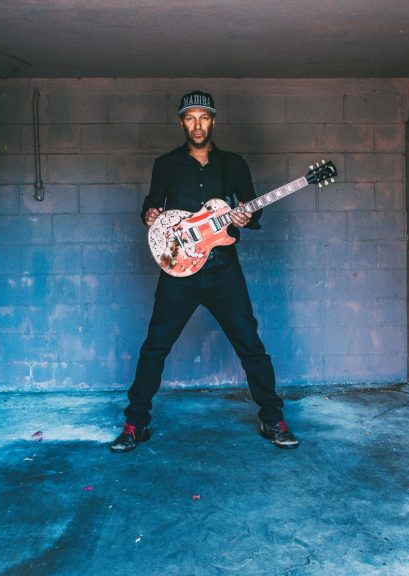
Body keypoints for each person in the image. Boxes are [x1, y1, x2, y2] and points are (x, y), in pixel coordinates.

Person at [110, 90, 299, 452]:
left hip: (223, 270)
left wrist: (247, 215)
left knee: (251, 346)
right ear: (182, 122)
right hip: (178, 271)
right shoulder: (165, 164)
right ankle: (136, 424)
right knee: (155, 347)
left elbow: (252, 209)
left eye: (204, 117)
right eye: (190, 118)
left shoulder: (234, 164)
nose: (197, 125)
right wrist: (149, 214)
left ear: (213, 120)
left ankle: (272, 418)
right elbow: (153, 205)